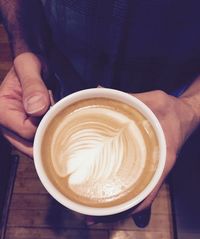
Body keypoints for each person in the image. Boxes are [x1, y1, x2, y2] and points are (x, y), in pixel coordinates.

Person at [0, 0, 199, 227]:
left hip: (170, 101)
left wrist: (192, 107)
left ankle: (141, 199)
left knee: (157, 167)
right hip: (63, 77)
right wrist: (26, 48)